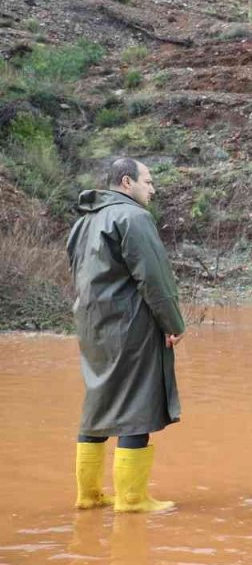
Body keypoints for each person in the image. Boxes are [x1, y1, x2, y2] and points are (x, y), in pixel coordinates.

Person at [67, 157, 184, 513]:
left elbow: (75, 269)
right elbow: (154, 278)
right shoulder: (133, 217)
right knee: (136, 403)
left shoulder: (84, 220)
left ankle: (88, 495)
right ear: (126, 181)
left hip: (92, 325)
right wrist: (173, 323)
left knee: (98, 402)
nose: (152, 188)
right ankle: (132, 499)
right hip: (131, 324)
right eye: (147, 181)